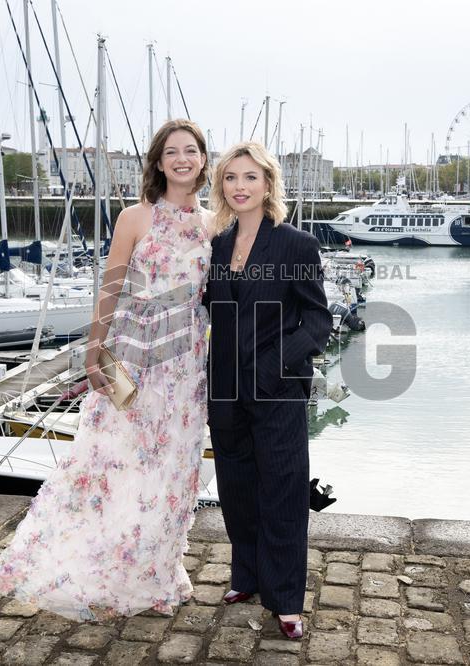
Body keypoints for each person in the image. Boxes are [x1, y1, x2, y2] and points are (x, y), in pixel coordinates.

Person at [0, 119, 213, 621]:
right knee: (114, 461)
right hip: (132, 355)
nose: (182, 159)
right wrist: (94, 353)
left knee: (172, 469)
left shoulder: (213, 225)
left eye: (191, 150)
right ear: (159, 163)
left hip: (187, 366)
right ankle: (107, 570)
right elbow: (111, 288)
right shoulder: (134, 217)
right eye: (172, 152)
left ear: (203, 160)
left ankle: (156, 572)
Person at [205, 142, 332, 639]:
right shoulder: (217, 245)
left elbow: (318, 319)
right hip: (224, 389)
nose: (240, 186)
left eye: (250, 177)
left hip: (277, 390)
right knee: (236, 489)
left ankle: (285, 601)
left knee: (282, 492)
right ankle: (248, 575)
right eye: (231, 177)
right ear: (221, 186)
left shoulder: (296, 244)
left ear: (268, 183)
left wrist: (274, 365)